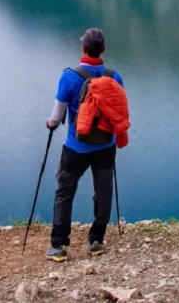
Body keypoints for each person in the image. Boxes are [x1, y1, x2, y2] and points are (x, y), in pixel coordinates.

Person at [44, 27, 124, 262]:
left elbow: (57, 117)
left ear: (83, 49)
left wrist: (50, 124)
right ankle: (96, 241)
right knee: (103, 192)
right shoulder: (114, 76)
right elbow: (118, 111)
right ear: (103, 49)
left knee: (64, 191)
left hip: (75, 148)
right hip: (105, 147)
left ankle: (59, 246)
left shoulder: (69, 76)